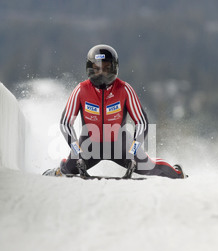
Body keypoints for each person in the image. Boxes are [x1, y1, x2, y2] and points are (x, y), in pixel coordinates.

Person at [44, 44, 186, 179]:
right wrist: (77, 152)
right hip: (89, 146)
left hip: (121, 145)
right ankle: (58, 170)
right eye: (97, 68)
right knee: (68, 169)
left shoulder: (125, 89)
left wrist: (133, 152)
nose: (102, 73)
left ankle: (178, 173)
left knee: (148, 167)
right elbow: (65, 123)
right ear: (89, 68)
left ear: (114, 68)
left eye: (106, 68)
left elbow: (141, 122)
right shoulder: (80, 90)